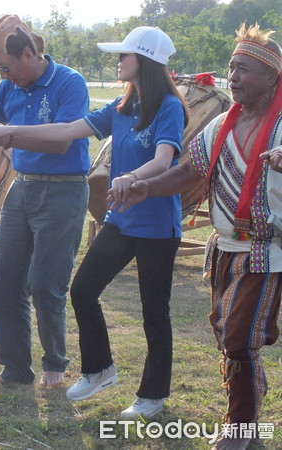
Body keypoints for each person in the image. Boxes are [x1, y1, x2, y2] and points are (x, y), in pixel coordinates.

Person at [0, 26, 188, 417]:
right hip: (121, 220)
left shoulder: (169, 108)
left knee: (153, 312)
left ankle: (152, 396)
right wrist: (9, 133)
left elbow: (162, 161)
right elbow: (67, 131)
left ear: (144, 60)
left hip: (157, 225)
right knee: (83, 290)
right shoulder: (120, 108)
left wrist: (132, 177)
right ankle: (99, 369)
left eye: (124, 55)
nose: (119, 61)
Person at [111, 24, 281, 450]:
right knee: (227, 335)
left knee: (239, 337)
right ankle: (247, 409)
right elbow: (190, 171)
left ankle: (240, 428)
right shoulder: (222, 124)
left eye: (244, 69)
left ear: (272, 77)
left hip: (268, 252)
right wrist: (146, 187)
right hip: (225, 249)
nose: (233, 76)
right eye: (231, 67)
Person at [0, 15, 91, 386]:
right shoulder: (9, 87)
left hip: (64, 190)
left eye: (7, 68)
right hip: (22, 188)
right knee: (5, 283)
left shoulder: (69, 82)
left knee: (45, 283)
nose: (4, 76)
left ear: (28, 53)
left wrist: (9, 136)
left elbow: (61, 141)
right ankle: (14, 368)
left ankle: (55, 365)